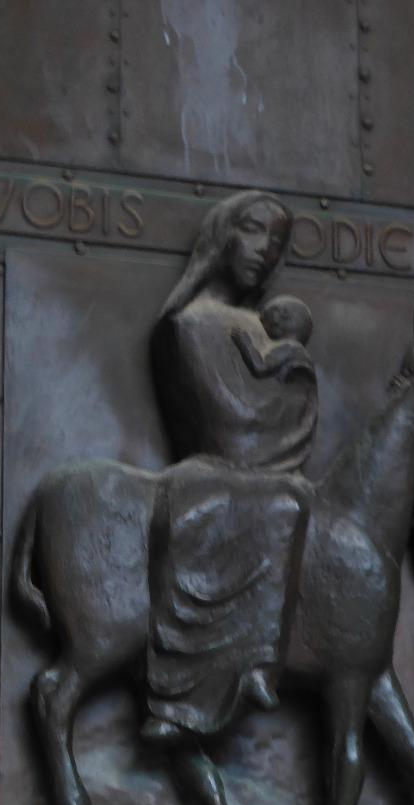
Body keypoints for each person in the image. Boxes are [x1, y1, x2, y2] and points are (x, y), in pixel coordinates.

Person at [144, 191, 318, 742]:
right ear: (221, 236)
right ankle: (240, 670)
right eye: (252, 229)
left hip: (255, 470)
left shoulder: (257, 326)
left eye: (277, 242)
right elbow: (232, 421)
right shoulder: (192, 323)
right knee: (288, 502)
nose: (265, 250)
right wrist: (289, 379)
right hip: (225, 473)